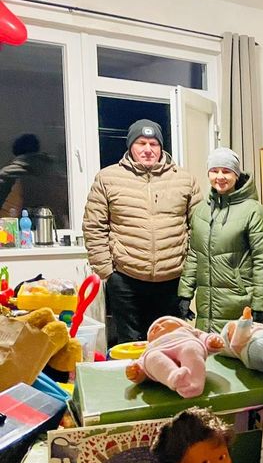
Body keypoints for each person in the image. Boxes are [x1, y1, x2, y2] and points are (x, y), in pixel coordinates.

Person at [83, 119, 200, 345]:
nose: (148, 149)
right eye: (141, 143)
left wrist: (190, 274)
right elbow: (94, 226)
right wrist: (107, 273)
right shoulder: (107, 178)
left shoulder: (185, 180)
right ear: (130, 146)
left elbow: (198, 229)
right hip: (126, 279)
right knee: (130, 346)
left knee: (170, 346)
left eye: (153, 144)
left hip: (172, 280)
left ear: (161, 147)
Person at [177, 147, 263, 333]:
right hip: (206, 307)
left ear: (236, 174)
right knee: (209, 350)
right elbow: (194, 255)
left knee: (238, 351)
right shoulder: (201, 211)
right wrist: (185, 294)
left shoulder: (253, 211)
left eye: (226, 171)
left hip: (240, 304)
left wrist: (261, 305)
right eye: (214, 171)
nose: (220, 177)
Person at [0, 134, 64, 222]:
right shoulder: (56, 174)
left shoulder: (8, 175)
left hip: (18, 227)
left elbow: (7, 212)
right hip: (55, 226)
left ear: (15, 151)